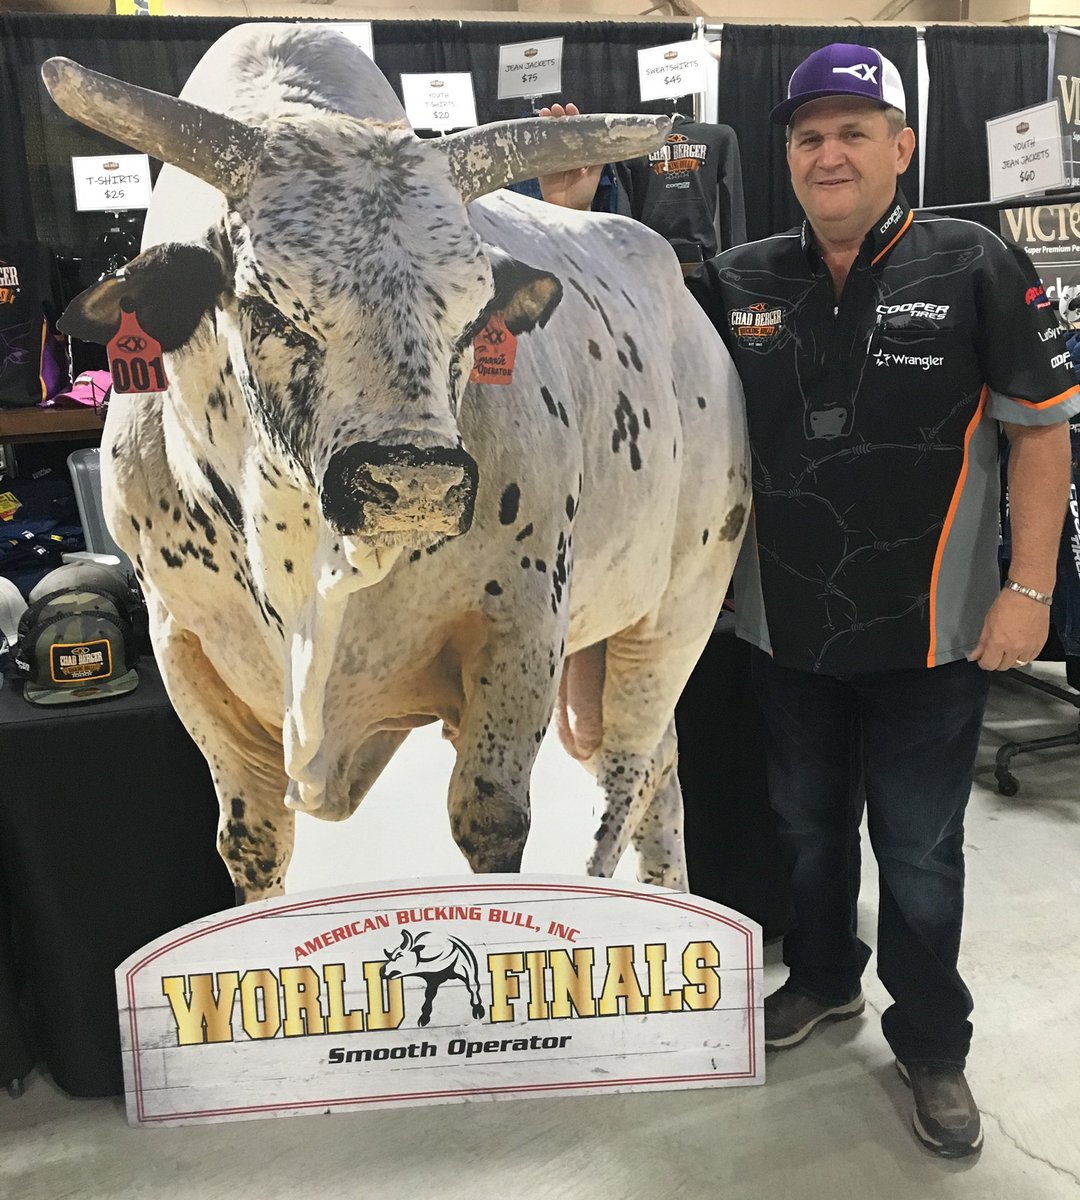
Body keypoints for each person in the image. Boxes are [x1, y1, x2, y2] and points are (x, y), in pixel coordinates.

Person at [680, 43, 1079, 1159]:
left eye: (855, 130)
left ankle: (934, 1042)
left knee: (917, 851)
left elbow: (1042, 435)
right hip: (783, 628)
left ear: (902, 147)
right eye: (808, 136)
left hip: (934, 634)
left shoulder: (977, 263)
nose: (829, 151)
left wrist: (1029, 590)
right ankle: (823, 978)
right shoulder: (741, 278)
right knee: (806, 829)